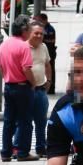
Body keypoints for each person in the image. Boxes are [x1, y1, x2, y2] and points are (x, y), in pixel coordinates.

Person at [0, 15, 37, 161]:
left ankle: (5, 152)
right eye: (30, 29)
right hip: (22, 87)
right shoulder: (23, 46)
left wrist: (8, 77)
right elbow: (27, 69)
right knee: (25, 121)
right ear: (24, 30)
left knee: (9, 121)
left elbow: (0, 66)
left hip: (9, 86)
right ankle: (22, 152)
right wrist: (33, 83)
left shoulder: (4, 45)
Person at [27, 21, 52, 157]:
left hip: (41, 89)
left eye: (41, 34)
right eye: (36, 33)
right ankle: (21, 148)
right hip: (26, 90)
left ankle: (41, 148)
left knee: (41, 121)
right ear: (29, 33)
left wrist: (49, 81)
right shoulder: (23, 47)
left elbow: (48, 65)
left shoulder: (43, 47)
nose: (39, 36)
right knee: (25, 122)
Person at [35, 12, 58, 94]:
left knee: (50, 69)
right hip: (43, 51)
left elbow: (50, 41)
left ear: (45, 20)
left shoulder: (50, 29)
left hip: (50, 52)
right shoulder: (42, 28)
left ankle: (51, 88)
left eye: (39, 21)